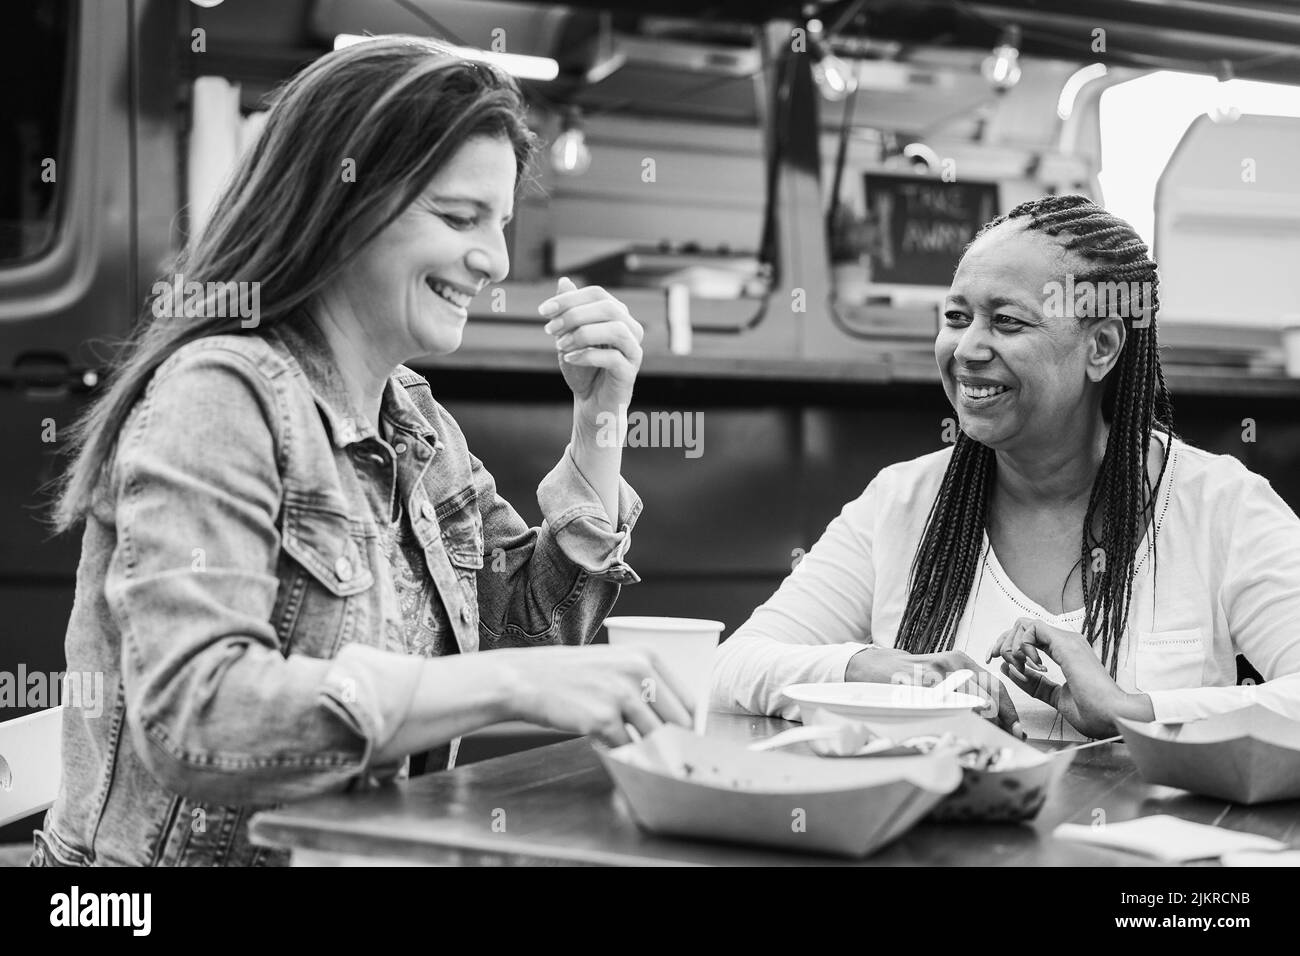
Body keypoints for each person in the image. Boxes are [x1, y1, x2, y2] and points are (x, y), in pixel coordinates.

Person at [32, 37, 691, 868]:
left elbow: (523, 635)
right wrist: (515, 688)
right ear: (344, 205)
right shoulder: (218, 396)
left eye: (501, 224)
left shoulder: (410, 413)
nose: (495, 261)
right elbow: (198, 720)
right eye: (458, 218)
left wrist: (600, 422)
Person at [712, 195, 1300, 742]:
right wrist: (873, 669)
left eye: (1007, 322)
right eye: (957, 317)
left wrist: (1134, 713)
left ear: (1102, 348)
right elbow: (733, 665)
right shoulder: (901, 502)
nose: (967, 349)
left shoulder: (1222, 506)